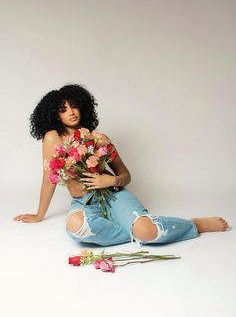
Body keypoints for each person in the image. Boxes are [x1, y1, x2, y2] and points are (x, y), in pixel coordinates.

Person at [13, 84, 230, 247]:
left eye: (74, 106)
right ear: (55, 114)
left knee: (146, 231)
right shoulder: (52, 138)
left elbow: (126, 174)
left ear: (83, 107)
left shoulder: (99, 138)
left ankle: (193, 225)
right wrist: (39, 214)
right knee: (76, 227)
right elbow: (48, 178)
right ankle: (136, 231)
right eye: (63, 108)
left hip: (114, 195)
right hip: (84, 202)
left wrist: (111, 180)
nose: (71, 112)